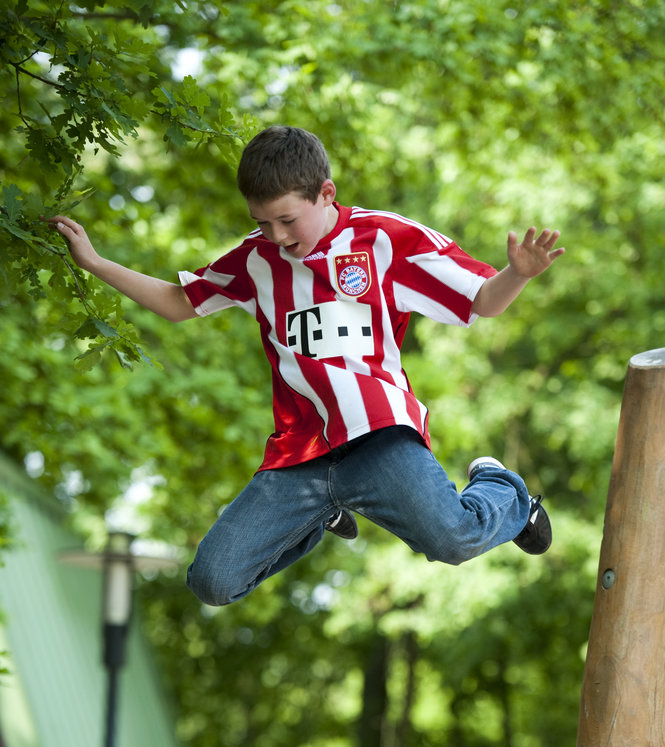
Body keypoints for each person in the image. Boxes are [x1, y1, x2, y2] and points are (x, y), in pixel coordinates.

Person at [49, 125, 564, 607]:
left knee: (454, 539)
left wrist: (516, 276)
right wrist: (95, 263)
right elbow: (178, 302)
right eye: (262, 223)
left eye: (288, 220)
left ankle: (501, 488)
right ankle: (322, 513)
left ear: (326, 194)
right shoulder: (255, 260)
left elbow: (482, 301)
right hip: (299, 454)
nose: (276, 235)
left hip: (378, 435)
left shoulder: (385, 241)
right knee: (212, 581)